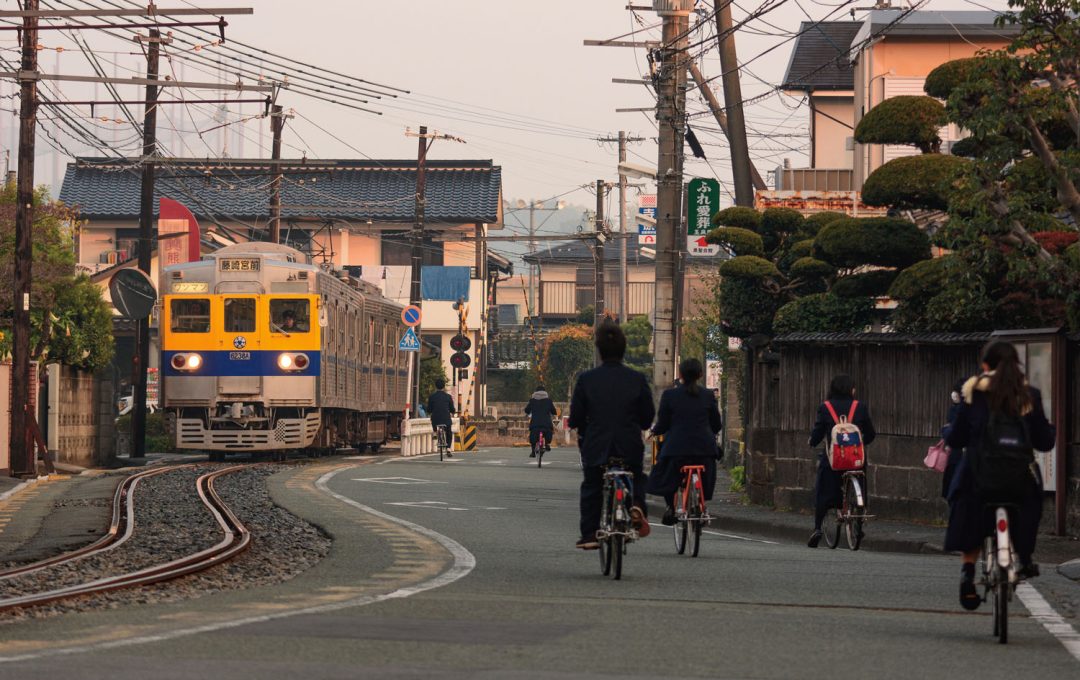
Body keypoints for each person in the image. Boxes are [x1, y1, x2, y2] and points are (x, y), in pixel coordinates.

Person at [945, 341, 1055, 610]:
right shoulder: (1029, 395)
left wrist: (949, 433)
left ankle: (968, 572)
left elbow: (957, 435)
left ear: (985, 365)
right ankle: (1025, 558)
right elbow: (1043, 441)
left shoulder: (973, 393)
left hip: (979, 475)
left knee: (966, 502)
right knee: (1031, 502)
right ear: (1017, 364)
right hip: (1018, 477)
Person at [568, 319, 655, 550]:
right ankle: (636, 504)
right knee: (636, 476)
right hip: (628, 443)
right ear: (624, 348)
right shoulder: (637, 379)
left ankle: (589, 535)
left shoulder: (587, 380)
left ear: (599, 349)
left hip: (597, 444)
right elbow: (648, 416)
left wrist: (582, 427)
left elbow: (576, 417)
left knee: (592, 486)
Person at [647, 358, 723, 525]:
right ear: (700, 375)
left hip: (677, 449)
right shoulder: (708, 395)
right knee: (708, 471)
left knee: (666, 473)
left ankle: (670, 508)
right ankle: (702, 504)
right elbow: (716, 424)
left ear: (680, 374)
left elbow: (663, 423)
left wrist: (654, 431)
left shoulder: (670, 395)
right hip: (704, 449)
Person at [806, 374, 876, 548]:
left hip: (833, 460)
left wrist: (812, 442)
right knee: (859, 477)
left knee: (823, 488)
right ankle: (858, 520)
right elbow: (871, 433)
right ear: (850, 389)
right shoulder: (859, 407)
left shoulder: (825, 407)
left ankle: (817, 528)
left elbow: (818, 432)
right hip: (855, 459)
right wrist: (859, 444)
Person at [426, 378, 456, 458]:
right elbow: (452, 409)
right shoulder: (448, 397)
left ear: (436, 386)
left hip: (436, 419)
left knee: (433, 420)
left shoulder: (432, 397)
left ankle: (435, 432)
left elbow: (429, 410)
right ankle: (448, 448)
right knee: (449, 432)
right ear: (443, 386)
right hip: (446, 419)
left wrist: (431, 410)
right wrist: (453, 411)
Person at [524, 385, 557, 457]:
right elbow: (554, 411)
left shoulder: (532, 401)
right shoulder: (549, 401)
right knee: (548, 432)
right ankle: (547, 444)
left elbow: (526, 410)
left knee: (533, 436)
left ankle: (533, 452)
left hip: (535, 424)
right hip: (546, 424)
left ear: (535, 392)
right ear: (545, 392)